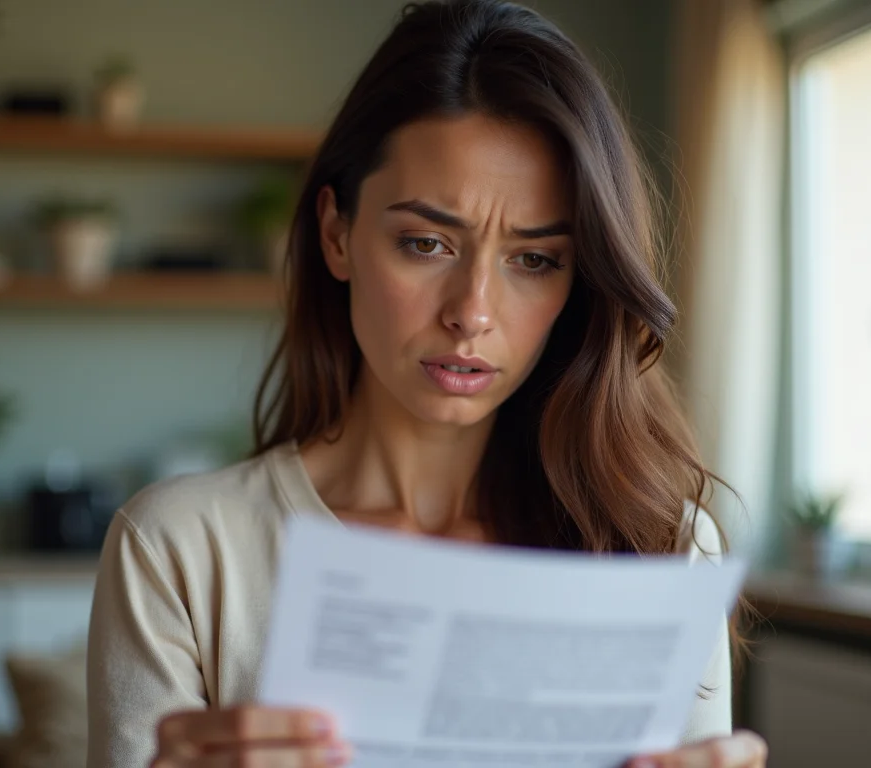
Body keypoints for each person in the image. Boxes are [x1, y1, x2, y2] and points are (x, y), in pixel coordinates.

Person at [87, 1, 768, 766]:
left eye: (534, 259)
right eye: (426, 242)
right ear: (337, 235)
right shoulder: (181, 550)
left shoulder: (662, 548)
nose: (472, 312)